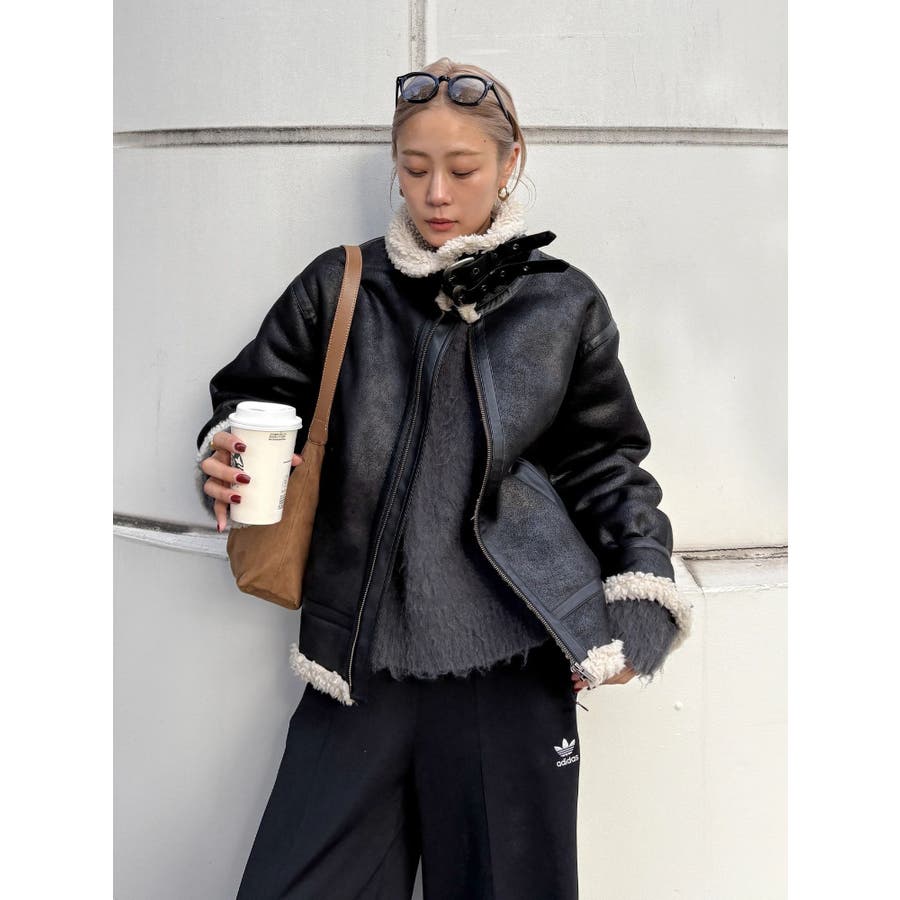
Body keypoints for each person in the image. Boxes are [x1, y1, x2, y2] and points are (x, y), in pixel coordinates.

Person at [195, 58, 693, 900]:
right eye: (414, 167)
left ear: (509, 162)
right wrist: (224, 452)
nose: (435, 194)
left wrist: (641, 595)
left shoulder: (562, 304)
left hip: (513, 668)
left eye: (461, 170)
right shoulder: (341, 284)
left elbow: (605, 460)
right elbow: (255, 396)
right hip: (360, 667)